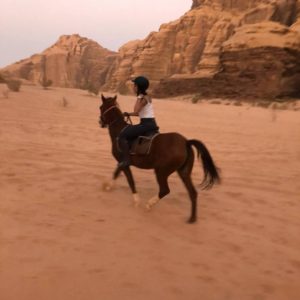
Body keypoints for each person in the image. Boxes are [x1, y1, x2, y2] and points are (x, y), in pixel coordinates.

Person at [118, 76, 159, 168]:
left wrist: (138, 97)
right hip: (150, 123)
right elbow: (139, 113)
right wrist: (127, 114)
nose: (133, 87)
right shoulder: (147, 97)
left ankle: (126, 160)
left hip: (146, 125)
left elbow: (136, 111)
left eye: (134, 85)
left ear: (138, 87)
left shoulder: (143, 98)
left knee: (122, 135)